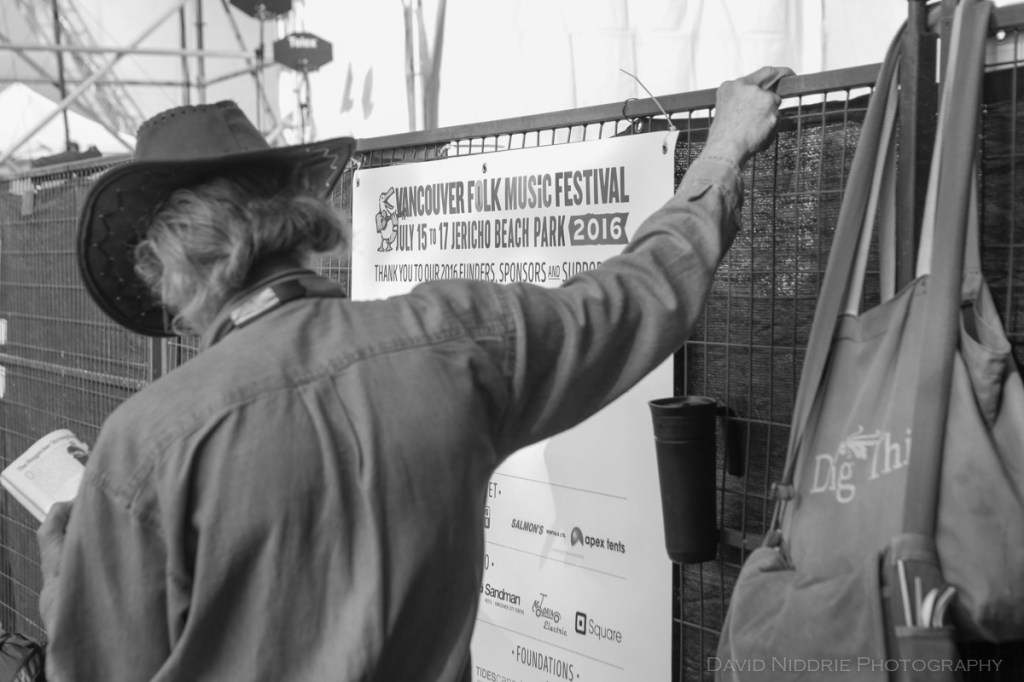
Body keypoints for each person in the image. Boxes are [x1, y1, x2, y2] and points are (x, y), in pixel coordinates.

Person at [37, 65, 792, 681]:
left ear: (173, 263)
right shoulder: (454, 340)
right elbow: (633, 300)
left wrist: (62, 591)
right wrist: (720, 154)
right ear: (295, 217)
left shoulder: (147, 444)